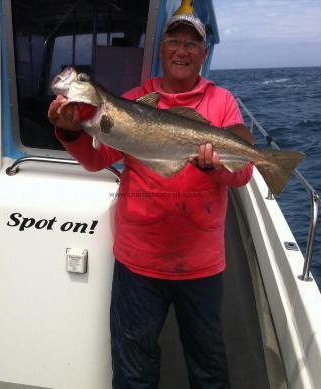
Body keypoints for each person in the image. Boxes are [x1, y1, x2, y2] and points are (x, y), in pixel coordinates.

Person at [48, 12, 253, 389]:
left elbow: (241, 174)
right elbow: (96, 160)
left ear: (202, 54)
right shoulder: (133, 101)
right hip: (139, 259)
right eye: (174, 41)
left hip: (201, 262)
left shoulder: (221, 102)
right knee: (133, 367)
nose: (182, 51)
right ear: (161, 49)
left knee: (209, 366)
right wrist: (69, 132)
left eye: (191, 44)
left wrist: (215, 169)